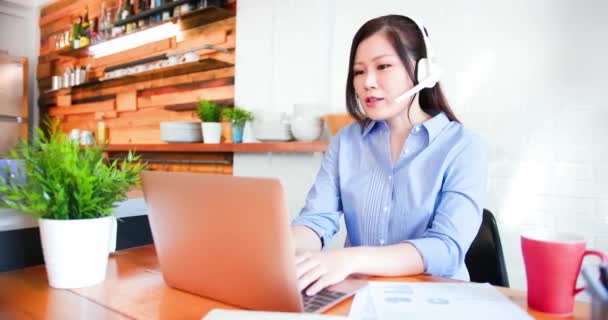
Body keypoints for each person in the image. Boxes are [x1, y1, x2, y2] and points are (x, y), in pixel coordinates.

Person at [291, 14, 488, 296]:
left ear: (423, 71)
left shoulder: (464, 147)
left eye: (383, 66)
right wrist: (285, 249)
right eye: (359, 72)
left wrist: (350, 259)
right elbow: (315, 220)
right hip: (360, 298)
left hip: (435, 300)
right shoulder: (346, 141)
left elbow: (447, 248)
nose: (367, 82)